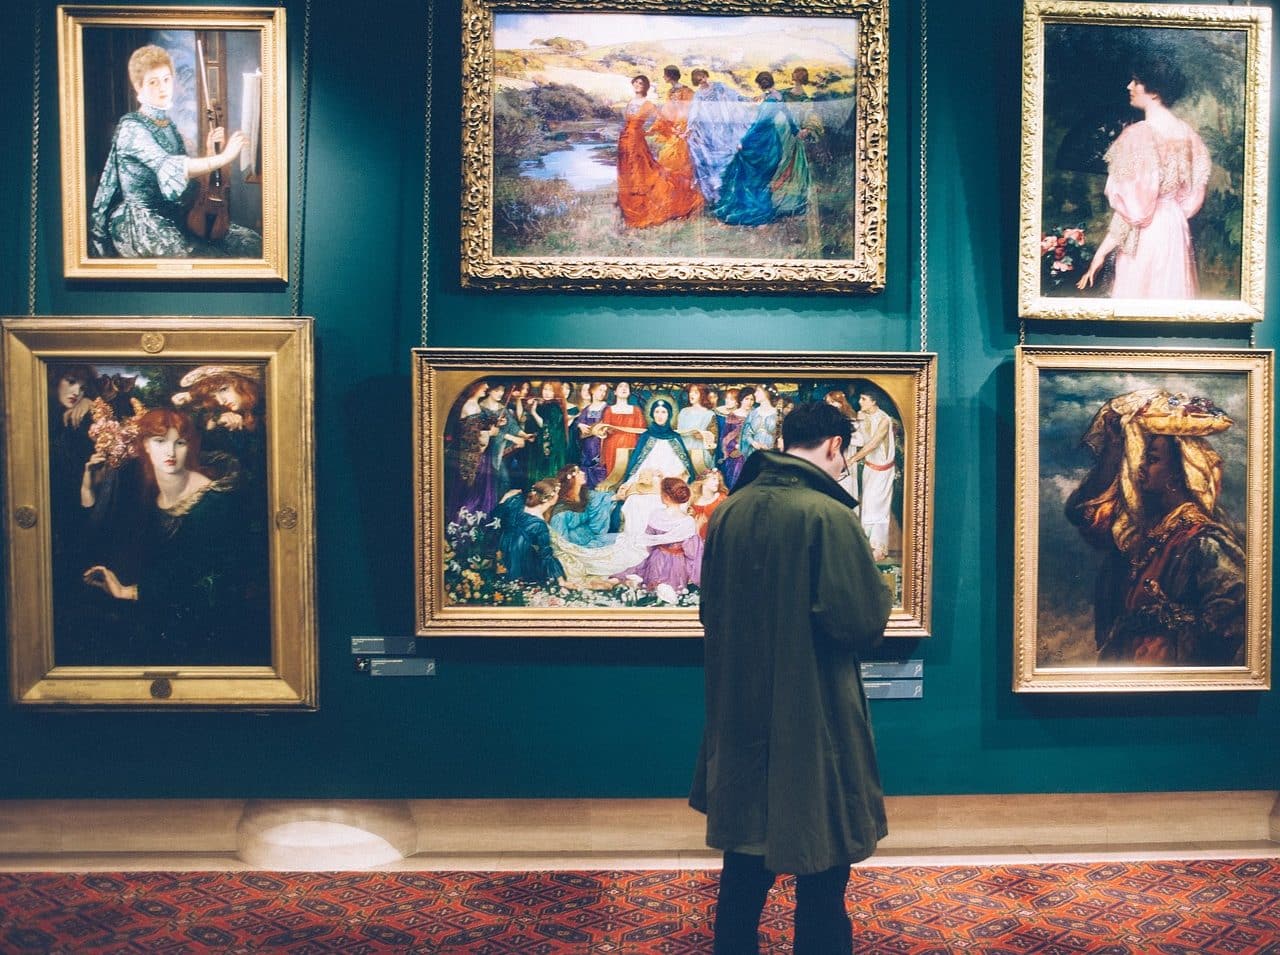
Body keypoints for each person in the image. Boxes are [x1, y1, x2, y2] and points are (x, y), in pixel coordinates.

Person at [690, 400, 893, 955]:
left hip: (740, 711)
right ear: (834, 445)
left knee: (743, 866)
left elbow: (710, 611)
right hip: (815, 716)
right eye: (846, 453)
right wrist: (885, 589)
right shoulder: (827, 516)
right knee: (824, 871)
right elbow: (859, 622)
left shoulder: (729, 511)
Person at [1065, 390, 1244, 665]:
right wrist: (1114, 450)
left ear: (1179, 472)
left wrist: (1169, 646)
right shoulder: (1144, 535)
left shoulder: (1204, 541)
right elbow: (1084, 514)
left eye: (1152, 459)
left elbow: (1235, 620)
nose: (1140, 469)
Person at [81, 407, 267, 665]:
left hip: (205, 631)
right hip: (159, 619)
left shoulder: (213, 503)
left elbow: (206, 580)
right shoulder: (148, 494)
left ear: (189, 447)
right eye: (159, 441)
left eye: (179, 443)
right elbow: (104, 534)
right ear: (144, 445)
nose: (169, 452)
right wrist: (89, 488)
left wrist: (129, 592)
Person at [89, 44, 262, 259]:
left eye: (166, 79)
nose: (163, 88)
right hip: (143, 222)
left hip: (176, 213)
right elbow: (174, 167)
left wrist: (209, 151)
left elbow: (187, 175)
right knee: (208, 258)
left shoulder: (168, 125)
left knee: (249, 242)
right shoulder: (131, 128)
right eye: (153, 82)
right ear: (138, 87)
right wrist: (223, 157)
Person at [1076, 58, 1210, 299]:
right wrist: (1170, 211)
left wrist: (1102, 252)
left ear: (1155, 91)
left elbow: (1135, 211)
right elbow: (1193, 195)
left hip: (1146, 235)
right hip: (1174, 227)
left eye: (1137, 81)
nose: (1129, 86)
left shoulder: (1139, 135)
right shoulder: (1188, 133)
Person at [714, 72, 806, 226]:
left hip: (761, 144)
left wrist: (743, 141)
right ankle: (760, 207)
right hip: (771, 141)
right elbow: (788, 115)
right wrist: (796, 131)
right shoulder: (778, 96)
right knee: (759, 179)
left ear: (761, 84)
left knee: (752, 176)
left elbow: (759, 125)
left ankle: (758, 211)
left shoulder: (770, 100)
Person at [616, 74, 703, 229]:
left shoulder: (648, 104)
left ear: (646, 86)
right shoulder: (630, 102)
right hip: (624, 140)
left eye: (641, 83)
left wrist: (678, 133)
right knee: (627, 172)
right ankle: (630, 205)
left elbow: (663, 120)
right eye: (635, 82)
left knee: (641, 171)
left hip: (636, 141)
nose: (637, 84)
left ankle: (646, 206)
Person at [687, 68, 752, 204]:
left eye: (703, 77)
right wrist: (690, 128)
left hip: (725, 125)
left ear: (706, 76)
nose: (702, 80)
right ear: (696, 81)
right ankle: (718, 193)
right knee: (713, 159)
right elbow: (694, 113)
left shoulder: (719, 86)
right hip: (710, 129)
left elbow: (734, 96)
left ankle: (731, 190)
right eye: (699, 79)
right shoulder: (698, 94)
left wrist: (747, 99)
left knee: (729, 154)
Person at [848, 388, 895, 560]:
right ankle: (866, 545)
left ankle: (879, 548)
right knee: (867, 505)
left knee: (878, 507)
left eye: (864, 398)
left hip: (883, 470)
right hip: (869, 467)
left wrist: (853, 459)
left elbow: (873, 444)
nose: (860, 402)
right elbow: (861, 440)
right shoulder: (862, 415)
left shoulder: (884, 419)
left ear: (874, 401)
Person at [493, 480, 567, 586]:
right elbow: (545, 555)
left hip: (502, 550)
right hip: (518, 562)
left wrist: (505, 497)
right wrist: (561, 580)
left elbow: (496, 515)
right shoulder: (540, 525)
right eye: (557, 494)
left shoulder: (517, 500)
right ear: (551, 499)